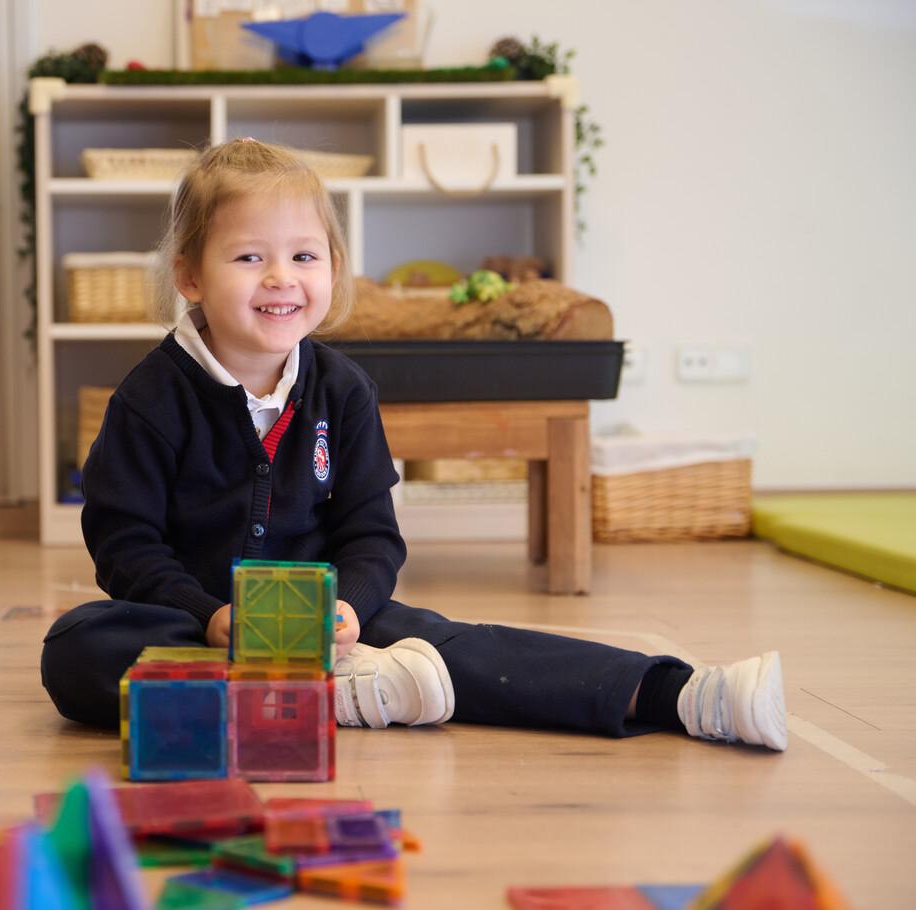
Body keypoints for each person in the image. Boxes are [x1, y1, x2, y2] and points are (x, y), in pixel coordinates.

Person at [41, 139, 787, 751]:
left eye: (305, 257)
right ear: (190, 277)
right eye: (248, 258)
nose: (281, 278)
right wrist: (207, 615)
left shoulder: (344, 389)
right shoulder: (149, 397)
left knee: (459, 644)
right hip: (205, 631)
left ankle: (679, 692)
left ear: (333, 268)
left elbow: (371, 533)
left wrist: (353, 611)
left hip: (337, 628)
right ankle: (326, 696)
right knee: (79, 647)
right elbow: (124, 544)